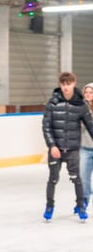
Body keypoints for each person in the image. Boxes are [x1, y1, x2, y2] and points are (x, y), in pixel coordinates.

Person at [42, 71, 93, 222]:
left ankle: (81, 207)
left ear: (73, 84)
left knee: (77, 179)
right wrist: (52, 146)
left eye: (68, 84)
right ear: (60, 85)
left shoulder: (81, 105)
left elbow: (90, 126)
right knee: (53, 179)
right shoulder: (52, 104)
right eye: (63, 84)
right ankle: (49, 206)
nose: (66, 87)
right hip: (56, 150)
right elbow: (46, 127)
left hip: (72, 149)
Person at [80, 83, 93, 208]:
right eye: (86, 92)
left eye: (91, 92)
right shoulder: (81, 109)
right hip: (85, 149)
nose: (88, 94)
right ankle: (84, 201)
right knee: (84, 179)